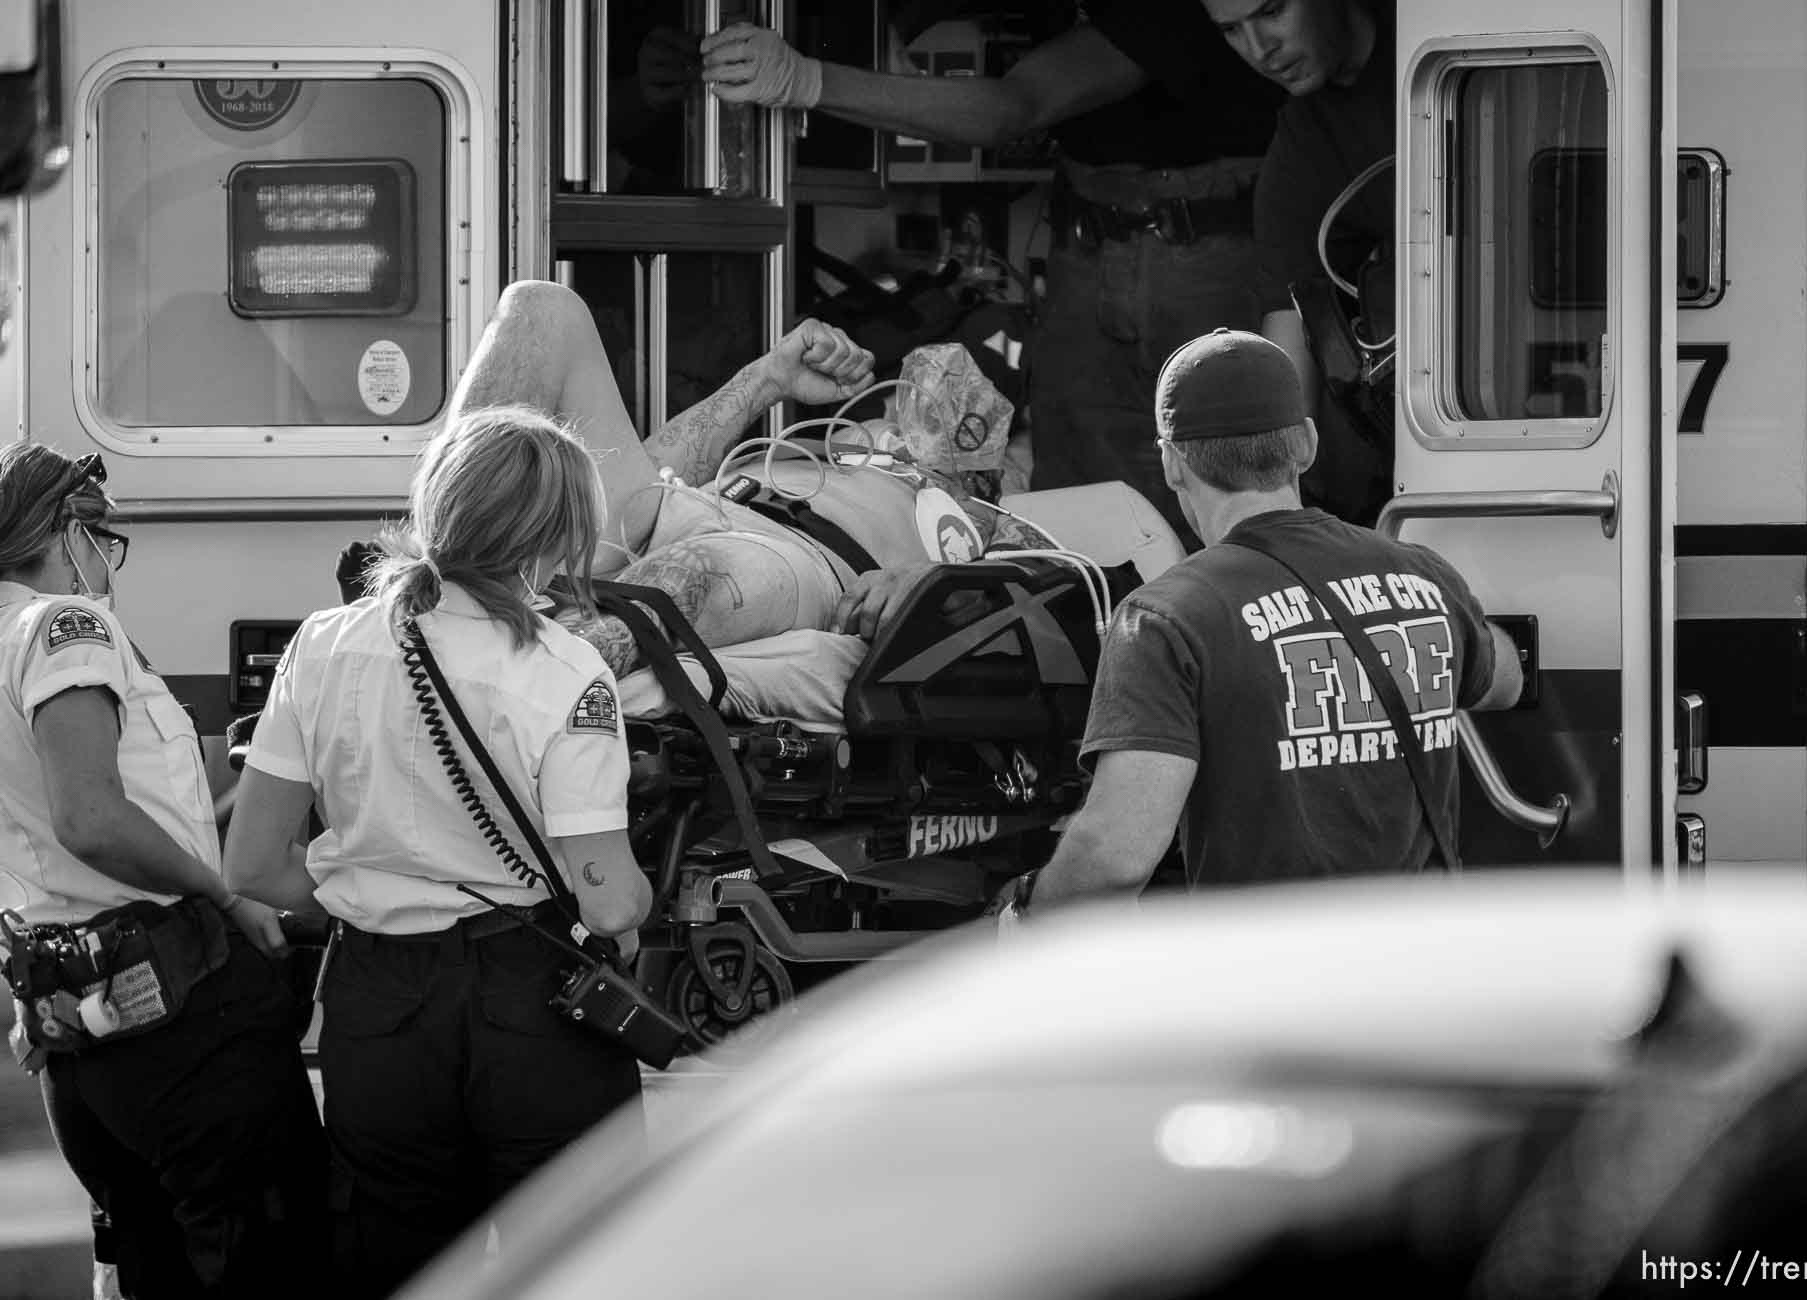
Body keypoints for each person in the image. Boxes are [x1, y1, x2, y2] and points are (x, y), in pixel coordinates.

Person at [221, 406, 656, 1298]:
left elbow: (253, 866)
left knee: (397, 1258)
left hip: (375, 1005)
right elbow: (607, 902)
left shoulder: (322, 643)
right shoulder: (566, 669)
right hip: (530, 1008)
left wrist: (370, 893)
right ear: (548, 538)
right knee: (575, 1260)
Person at [700, 4, 1285, 548]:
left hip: (1200, 250)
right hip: (1087, 242)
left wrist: (806, 78)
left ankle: (1215, 631)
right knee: (1075, 490)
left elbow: (1013, 107)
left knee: (1216, 476)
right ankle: (1091, 638)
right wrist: (882, 26)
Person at [999, 329, 1521, 917]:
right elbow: (1503, 681)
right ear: (1307, 443)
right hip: (1420, 972)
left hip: (1273, 985)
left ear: (1171, 463)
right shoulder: (1423, 578)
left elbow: (1118, 855)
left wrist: (1027, 912)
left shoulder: (1165, 619)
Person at [0, 444, 326, 1298]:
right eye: (103, 540)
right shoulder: (62, 626)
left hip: (77, 1032)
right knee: (273, 1255)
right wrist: (221, 891)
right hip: (179, 1018)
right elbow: (91, 817)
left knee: (153, 1268)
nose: (107, 566)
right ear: (67, 533)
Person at [451, 280, 1054, 677]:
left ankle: (524, 675)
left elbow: (1059, 583)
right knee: (541, 311)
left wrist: (932, 577)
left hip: (799, 564)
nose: (924, 410)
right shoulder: (827, 445)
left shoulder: (985, 519)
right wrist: (767, 380)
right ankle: (434, 577)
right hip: (685, 505)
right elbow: (656, 464)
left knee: (701, 573)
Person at [1205, 0, 1399, 527]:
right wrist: (1265, 511)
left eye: (1271, 11)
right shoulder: (1304, 141)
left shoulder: (1437, 38)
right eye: (1230, 30)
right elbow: (1288, 323)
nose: (1259, 49)